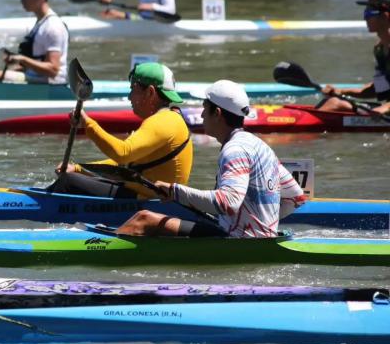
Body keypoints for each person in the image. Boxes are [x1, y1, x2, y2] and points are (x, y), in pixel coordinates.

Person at [117, 80, 306, 238]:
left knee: (143, 219)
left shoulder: (234, 150)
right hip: (252, 238)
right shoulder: (258, 145)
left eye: (205, 108)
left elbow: (228, 202)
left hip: (237, 241)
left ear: (217, 114)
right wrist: (261, 227)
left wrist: (175, 192)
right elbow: (295, 197)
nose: (200, 115)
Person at [51, 62, 193, 199]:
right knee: (73, 177)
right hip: (144, 196)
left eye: (133, 89)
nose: (129, 97)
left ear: (150, 92)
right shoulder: (169, 119)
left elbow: (123, 153)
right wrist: (78, 169)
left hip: (148, 203)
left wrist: (88, 124)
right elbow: (124, 165)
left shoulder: (164, 121)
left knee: (68, 182)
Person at [317, 0, 390, 115]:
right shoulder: (379, 49)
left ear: (386, 16)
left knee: (335, 104)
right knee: (331, 101)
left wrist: (385, 108)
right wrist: (342, 91)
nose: (365, 18)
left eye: (370, 13)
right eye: (365, 13)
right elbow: (379, 88)